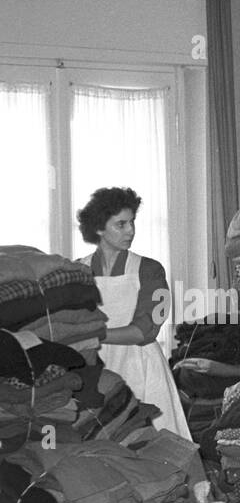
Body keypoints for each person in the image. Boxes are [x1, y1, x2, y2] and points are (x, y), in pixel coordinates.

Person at [77, 187, 191, 438]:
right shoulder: (76, 271)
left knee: (152, 443)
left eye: (132, 222)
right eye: (121, 224)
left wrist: (94, 335)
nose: (131, 231)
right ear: (99, 229)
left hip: (140, 366)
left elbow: (146, 330)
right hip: (96, 368)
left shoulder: (150, 270)